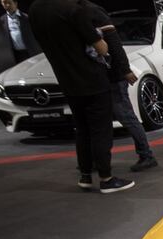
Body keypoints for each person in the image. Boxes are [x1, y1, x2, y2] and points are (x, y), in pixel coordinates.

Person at [30, 0, 134, 192]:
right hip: (93, 80)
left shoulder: (35, 11)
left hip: (67, 82)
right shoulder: (74, 10)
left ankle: (85, 176)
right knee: (101, 130)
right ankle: (106, 178)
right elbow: (102, 48)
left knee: (82, 129)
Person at [85, 1, 157, 173]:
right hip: (102, 77)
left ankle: (147, 155)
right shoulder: (84, 11)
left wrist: (124, 69)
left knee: (126, 116)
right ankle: (99, 159)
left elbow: (114, 43)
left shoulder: (92, 11)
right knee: (104, 120)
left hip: (114, 76)